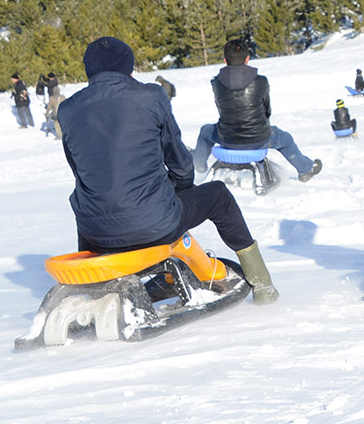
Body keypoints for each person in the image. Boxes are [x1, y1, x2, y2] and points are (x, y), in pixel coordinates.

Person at [59, 36, 277, 303]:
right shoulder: (150, 96)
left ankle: (96, 291)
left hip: (94, 234)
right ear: (129, 67)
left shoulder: (68, 109)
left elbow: (79, 170)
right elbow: (177, 157)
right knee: (219, 195)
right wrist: (183, 186)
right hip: (154, 223)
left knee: (96, 201)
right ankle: (262, 284)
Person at [192, 38, 322, 182]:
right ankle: (305, 169)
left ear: (225, 60)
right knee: (285, 139)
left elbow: (222, 108)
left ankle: (199, 165)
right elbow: (267, 111)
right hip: (258, 139)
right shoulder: (261, 81)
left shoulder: (216, 82)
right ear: (247, 59)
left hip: (227, 138)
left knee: (205, 131)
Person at [37, 72, 64, 139]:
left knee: (55, 112)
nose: (49, 79)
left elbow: (48, 85)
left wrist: (42, 83)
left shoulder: (54, 82)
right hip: (52, 96)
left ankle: (59, 133)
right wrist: (43, 78)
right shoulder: (52, 80)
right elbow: (47, 81)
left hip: (54, 96)